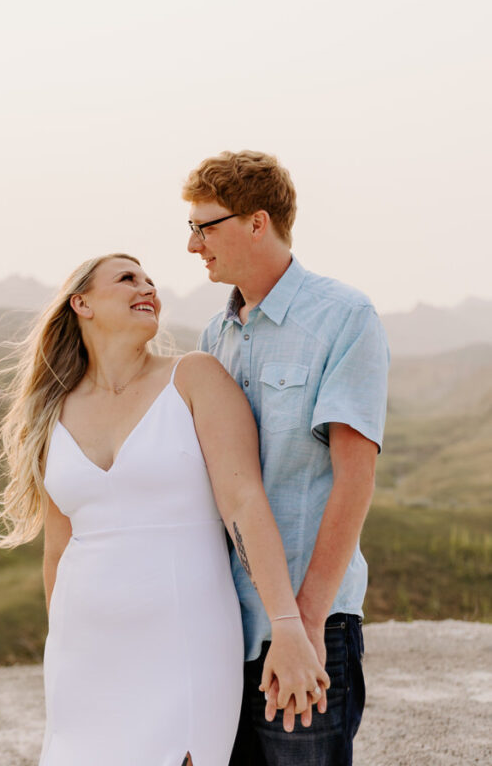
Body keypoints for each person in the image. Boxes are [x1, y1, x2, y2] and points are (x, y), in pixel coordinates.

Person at [0, 253, 329, 766]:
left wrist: (287, 625)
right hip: (84, 654)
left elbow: (244, 502)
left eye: (149, 279)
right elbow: (58, 549)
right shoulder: (51, 410)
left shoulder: (194, 378)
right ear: (81, 303)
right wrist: (63, 646)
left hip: (184, 639)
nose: (147, 286)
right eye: (127, 278)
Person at [183, 151, 389, 766]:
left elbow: (355, 477)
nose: (194, 246)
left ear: (256, 222)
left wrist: (301, 625)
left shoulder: (344, 317)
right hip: (225, 628)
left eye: (204, 226)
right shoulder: (212, 339)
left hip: (309, 623)